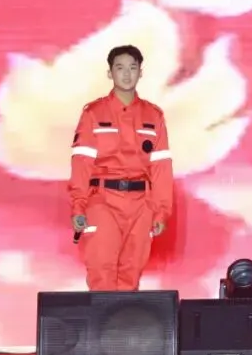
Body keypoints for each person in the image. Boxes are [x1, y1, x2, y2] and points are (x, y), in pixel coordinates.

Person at [68, 45, 174, 291]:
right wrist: (78, 206)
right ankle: (101, 319)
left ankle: (125, 319)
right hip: (102, 201)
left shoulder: (154, 116)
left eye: (132, 68)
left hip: (141, 205)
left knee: (131, 276)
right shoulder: (94, 113)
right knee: (101, 272)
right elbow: (81, 164)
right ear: (110, 73)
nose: (127, 74)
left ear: (140, 72)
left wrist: (161, 212)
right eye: (120, 68)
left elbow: (161, 168)